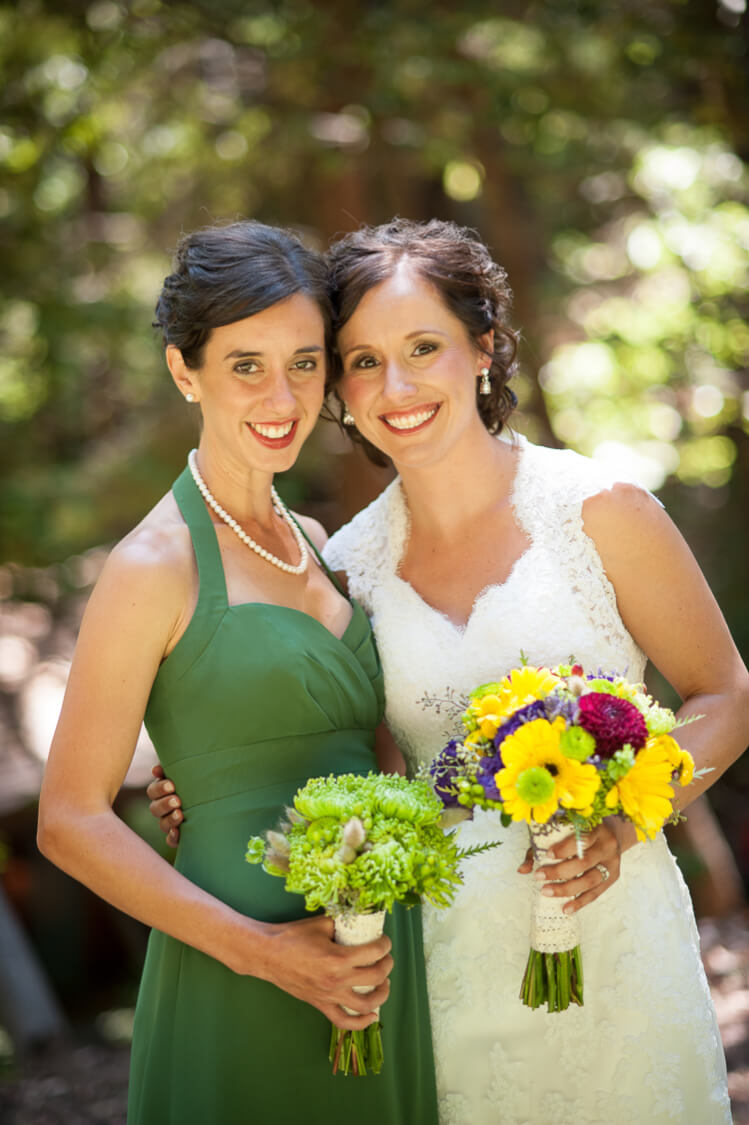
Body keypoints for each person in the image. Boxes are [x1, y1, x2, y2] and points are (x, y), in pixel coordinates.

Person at [149, 217, 749, 1125]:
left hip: (614, 936)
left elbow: (726, 694)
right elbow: (353, 755)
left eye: (422, 347)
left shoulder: (600, 510)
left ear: (483, 346)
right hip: (440, 958)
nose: (395, 386)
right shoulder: (345, 568)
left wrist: (625, 825)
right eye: (360, 361)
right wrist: (208, 780)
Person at [37, 221, 439, 1125]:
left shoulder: (320, 543)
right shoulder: (154, 565)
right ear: (186, 370)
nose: (283, 396)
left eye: (304, 362)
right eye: (245, 364)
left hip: (375, 950)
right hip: (240, 957)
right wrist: (265, 951)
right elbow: (68, 820)